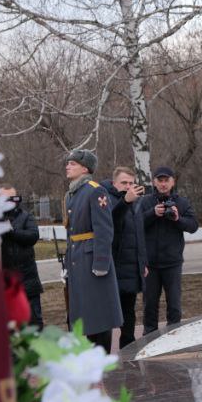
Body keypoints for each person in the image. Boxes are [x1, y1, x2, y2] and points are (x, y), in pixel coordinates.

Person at [63, 149, 122, 351]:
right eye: (68, 163)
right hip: (76, 259)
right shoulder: (72, 194)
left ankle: (103, 358)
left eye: (72, 163)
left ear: (85, 168)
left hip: (91, 260)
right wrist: (66, 263)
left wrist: (101, 263)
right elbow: (71, 233)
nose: (67, 166)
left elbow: (104, 230)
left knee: (99, 314)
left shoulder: (95, 190)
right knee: (83, 314)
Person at [139, 166, 198, 335]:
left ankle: (174, 336)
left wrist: (178, 218)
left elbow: (193, 226)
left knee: (174, 305)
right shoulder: (145, 202)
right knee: (150, 304)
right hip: (150, 264)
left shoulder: (182, 202)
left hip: (172, 263)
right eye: (160, 180)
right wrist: (152, 213)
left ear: (173, 182)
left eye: (167, 180)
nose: (163, 184)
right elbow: (135, 226)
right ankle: (149, 337)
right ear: (154, 182)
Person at [105, 166, 146, 348]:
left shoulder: (136, 202)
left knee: (129, 310)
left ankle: (128, 347)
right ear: (114, 183)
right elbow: (111, 222)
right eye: (124, 183)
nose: (128, 187)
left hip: (131, 265)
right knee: (108, 313)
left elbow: (139, 233)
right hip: (113, 265)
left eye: (131, 183)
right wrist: (125, 202)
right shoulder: (105, 199)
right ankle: (102, 352)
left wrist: (142, 262)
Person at [0, 184, 43, 329]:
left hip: (27, 279)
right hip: (5, 282)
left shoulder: (25, 216)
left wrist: (12, 232)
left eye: (12, 198)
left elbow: (33, 236)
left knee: (34, 324)